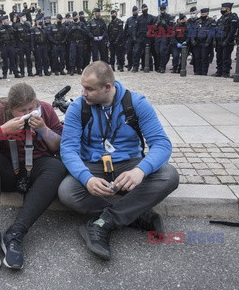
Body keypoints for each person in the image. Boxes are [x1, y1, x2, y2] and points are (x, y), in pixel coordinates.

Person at [58, 61, 179, 261]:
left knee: (169, 175)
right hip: (94, 166)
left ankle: (103, 223)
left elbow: (162, 144)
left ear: (108, 87)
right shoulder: (77, 108)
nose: (83, 93)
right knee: (67, 192)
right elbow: (68, 149)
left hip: (129, 165)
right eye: (82, 87)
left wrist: (140, 171)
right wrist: (86, 178)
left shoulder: (137, 104)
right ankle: (136, 214)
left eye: (89, 89)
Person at [0, 82, 66, 272]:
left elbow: (58, 146)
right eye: (22, 110)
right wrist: (1, 131)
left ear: (36, 103)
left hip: (35, 169)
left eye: (31, 108)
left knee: (57, 167)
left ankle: (16, 233)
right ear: (11, 108)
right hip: (9, 171)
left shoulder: (46, 110)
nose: (28, 113)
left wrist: (43, 129)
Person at [212, 3, 239, 78]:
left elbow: (232, 31)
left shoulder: (233, 17)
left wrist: (226, 41)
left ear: (228, 9)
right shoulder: (221, 18)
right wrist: (215, 41)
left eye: (223, 8)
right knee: (219, 57)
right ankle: (219, 71)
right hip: (219, 40)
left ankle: (225, 72)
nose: (222, 10)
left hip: (227, 41)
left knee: (226, 57)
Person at [124, 6, 138, 71]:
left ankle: (135, 65)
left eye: (136, 10)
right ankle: (130, 64)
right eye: (134, 10)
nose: (135, 11)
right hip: (130, 38)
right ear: (132, 11)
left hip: (137, 38)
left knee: (136, 52)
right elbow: (125, 29)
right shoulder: (129, 19)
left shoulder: (139, 19)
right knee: (129, 52)